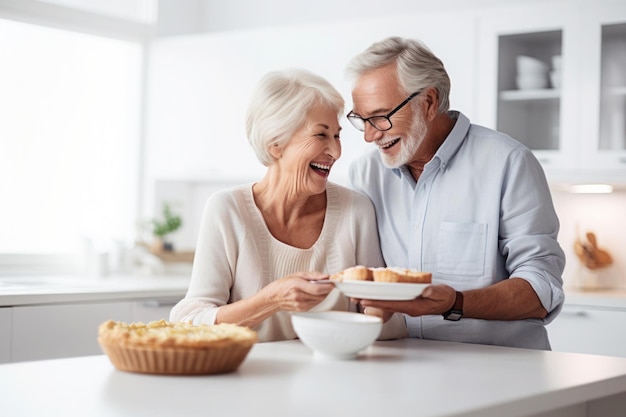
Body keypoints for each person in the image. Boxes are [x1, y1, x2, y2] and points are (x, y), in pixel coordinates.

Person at [344, 36, 566, 350]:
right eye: (361, 119)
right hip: (401, 366)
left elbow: (541, 290)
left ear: (429, 102)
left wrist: (454, 302)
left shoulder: (508, 162)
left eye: (380, 117)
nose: (369, 135)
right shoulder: (365, 174)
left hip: (501, 369)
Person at [170, 68, 405, 342]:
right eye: (321, 135)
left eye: (337, 136)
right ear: (275, 144)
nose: (336, 152)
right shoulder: (227, 210)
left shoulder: (356, 210)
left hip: (338, 379)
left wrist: (380, 311)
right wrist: (271, 299)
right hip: (249, 380)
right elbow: (187, 320)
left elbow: (385, 327)